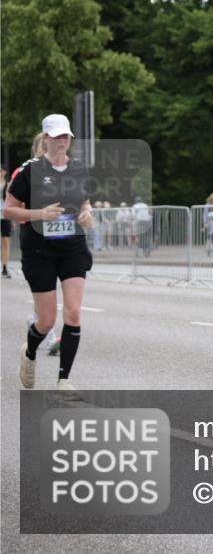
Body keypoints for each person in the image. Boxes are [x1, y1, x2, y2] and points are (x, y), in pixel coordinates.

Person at [3, 114, 94, 400]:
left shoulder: (79, 169)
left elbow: (85, 201)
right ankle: (29, 351)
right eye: (56, 137)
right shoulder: (27, 171)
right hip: (39, 250)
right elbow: (9, 210)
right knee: (45, 320)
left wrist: (88, 213)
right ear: (45, 139)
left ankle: (64, 381)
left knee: (74, 312)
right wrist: (39, 214)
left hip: (72, 248)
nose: (61, 142)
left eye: (65, 137)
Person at [1, 167, 11, 278]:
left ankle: (5, 267)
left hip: (5, 215)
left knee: (5, 241)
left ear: (4, 172)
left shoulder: (8, 185)